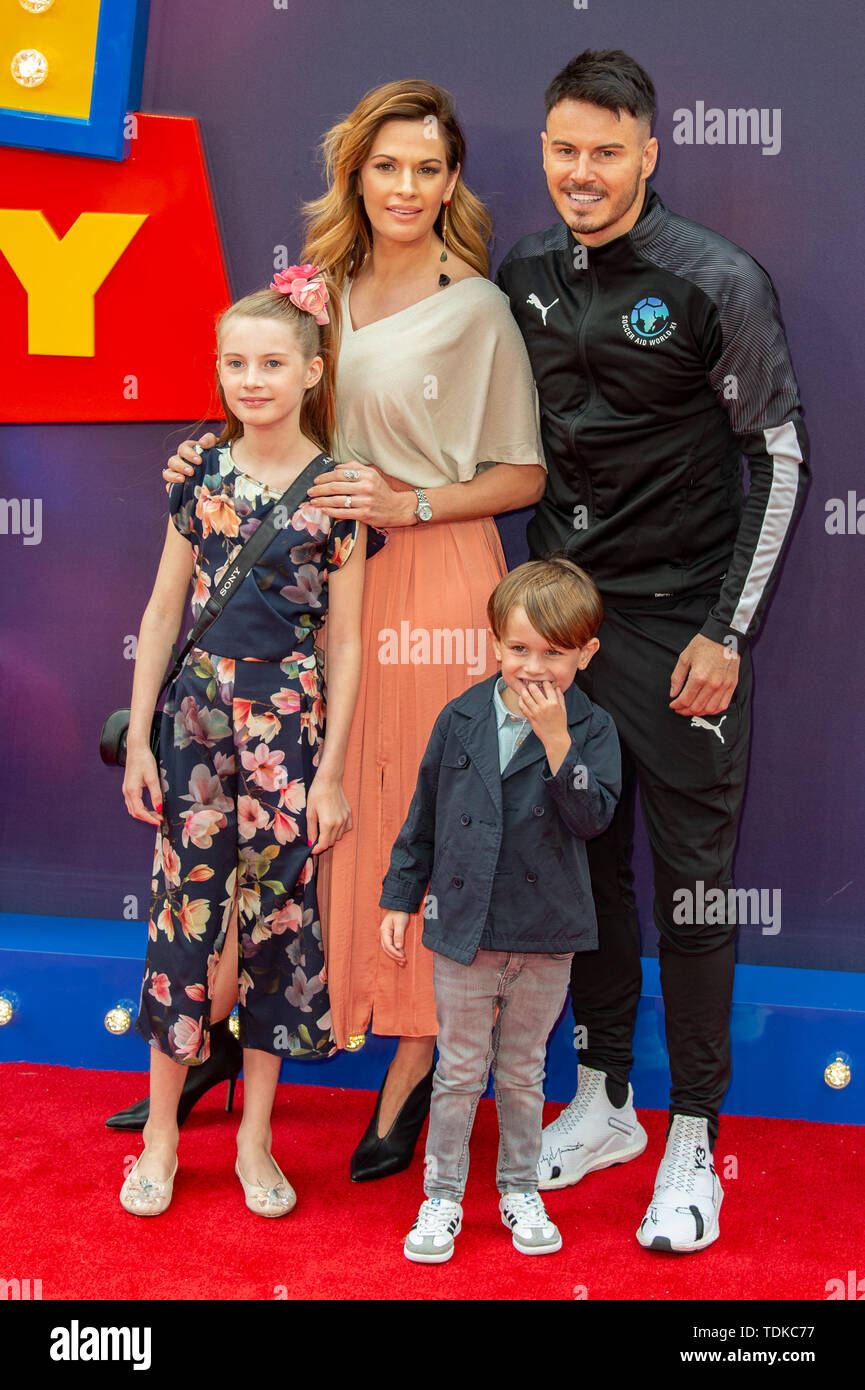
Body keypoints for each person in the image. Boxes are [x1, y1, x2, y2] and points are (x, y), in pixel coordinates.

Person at [128, 81, 547, 1180]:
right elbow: (263, 404)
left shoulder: (481, 311)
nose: (405, 187)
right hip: (310, 592)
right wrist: (198, 459)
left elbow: (522, 471)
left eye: (426, 168)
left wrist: (404, 501)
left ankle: (409, 1076)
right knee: (302, 820)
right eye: (385, 166)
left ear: (451, 181)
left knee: (422, 820)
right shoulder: (310, 293)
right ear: (355, 174)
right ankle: (218, 1040)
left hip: (436, 584)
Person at [495, 49, 809, 1251]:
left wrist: (725, 631)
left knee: (690, 885)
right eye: (564, 150)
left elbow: (777, 459)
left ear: (648, 153)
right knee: (588, 872)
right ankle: (607, 1098)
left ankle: (694, 1138)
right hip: (565, 632)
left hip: (681, 630)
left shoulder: (714, 279)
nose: (582, 172)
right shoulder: (523, 270)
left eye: (606, 152)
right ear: (545, 149)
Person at [118, 269, 384, 1216]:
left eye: (272, 362)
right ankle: (157, 1137)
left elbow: (347, 642)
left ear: (312, 371)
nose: (251, 379)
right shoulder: (196, 472)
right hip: (192, 721)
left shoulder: (342, 489)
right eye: (234, 362)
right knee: (184, 918)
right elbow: (160, 610)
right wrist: (145, 737)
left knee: (279, 925)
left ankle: (256, 1140)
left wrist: (332, 774)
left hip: (289, 726)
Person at [379, 559, 620, 1263]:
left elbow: (593, 819)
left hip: (546, 930)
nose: (533, 667)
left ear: (585, 654)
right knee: (456, 1071)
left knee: (519, 1073)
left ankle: (518, 1188)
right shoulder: (458, 717)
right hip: (463, 924)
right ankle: (442, 1197)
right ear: (493, 644)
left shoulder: (593, 728)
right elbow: (423, 814)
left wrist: (555, 741)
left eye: (553, 653)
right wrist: (399, 897)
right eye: (518, 650)